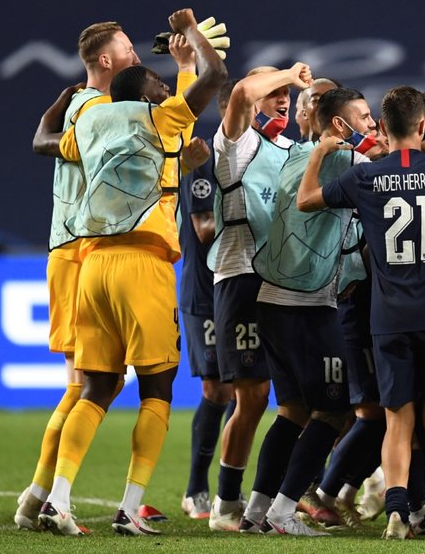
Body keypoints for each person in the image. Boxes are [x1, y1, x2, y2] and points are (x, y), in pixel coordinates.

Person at [37, 8, 228, 536]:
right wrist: (188, 31)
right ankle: (130, 505)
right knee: (158, 387)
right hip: (142, 265)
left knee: (95, 386)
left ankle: (57, 498)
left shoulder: (92, 118)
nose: (167, 90)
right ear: (149, 98)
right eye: (161, 86)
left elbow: (52, 140)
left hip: (92, 266)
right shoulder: (160, 118)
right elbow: (215, 79)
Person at [298, 86, 425, 540]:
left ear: (385, 128)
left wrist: (318, 153)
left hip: (388, 318)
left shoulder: (366, 176)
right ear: (424, 126)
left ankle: (395, 513)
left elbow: (306, 199)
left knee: (397, 420)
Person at [14, 20, 142, 531]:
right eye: (128, 49)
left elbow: (43, 140)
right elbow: (46, 144)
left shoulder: (83, 106)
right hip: (78, 250)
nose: (135, 55)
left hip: (86, 251)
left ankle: (39, 494)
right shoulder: (95, 110)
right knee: (87, 384)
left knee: (99, 384)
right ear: (106, 61)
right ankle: (41, 495)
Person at [242, 86, 375, 536]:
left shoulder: (295, 155)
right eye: (364, 116)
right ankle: (282, 514)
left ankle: (255, 512)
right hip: (308, 307)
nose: (371, 124)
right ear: (340, 126)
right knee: (332, 412)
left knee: (293, 411)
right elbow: (393, 160)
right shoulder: (348, 161)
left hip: (272, 303)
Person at [207, 63, 308, 531]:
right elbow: (244, 91)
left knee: (294, 400)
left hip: (284, 284)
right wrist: (286, 71)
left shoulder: (292, 149)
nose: (282, 98)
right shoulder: (237, 144)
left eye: (286, 93)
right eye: (276, 93)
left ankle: (270, 501)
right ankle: (224, 503)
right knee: (251, 397)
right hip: (240, 276)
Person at [179, 79, 236, 520]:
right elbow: (203, 231)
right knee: (218, 388)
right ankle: (197, 489)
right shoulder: (205, 159)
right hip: (206, 289)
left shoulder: (254, 156)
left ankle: (228, 492)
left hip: (241, 285)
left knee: (246, 389)